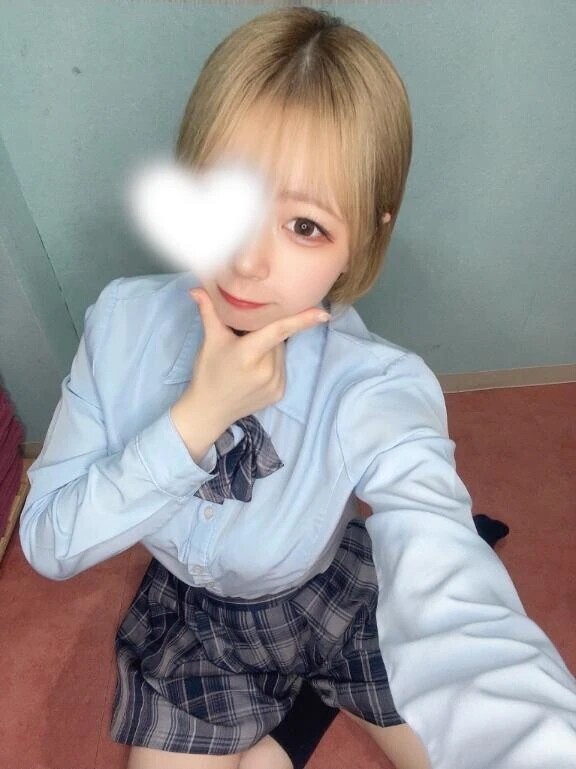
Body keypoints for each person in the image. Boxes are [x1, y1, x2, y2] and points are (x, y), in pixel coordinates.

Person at [19, 7, 576, 769]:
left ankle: (305, 708)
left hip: (335, 596)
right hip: (199, 623)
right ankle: (301, 717)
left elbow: (466, 620)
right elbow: (49, 543)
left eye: (305, 226)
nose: (248, 260)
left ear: (363, 238)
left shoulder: (375, 383)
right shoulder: (121, 323)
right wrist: (194, 421)